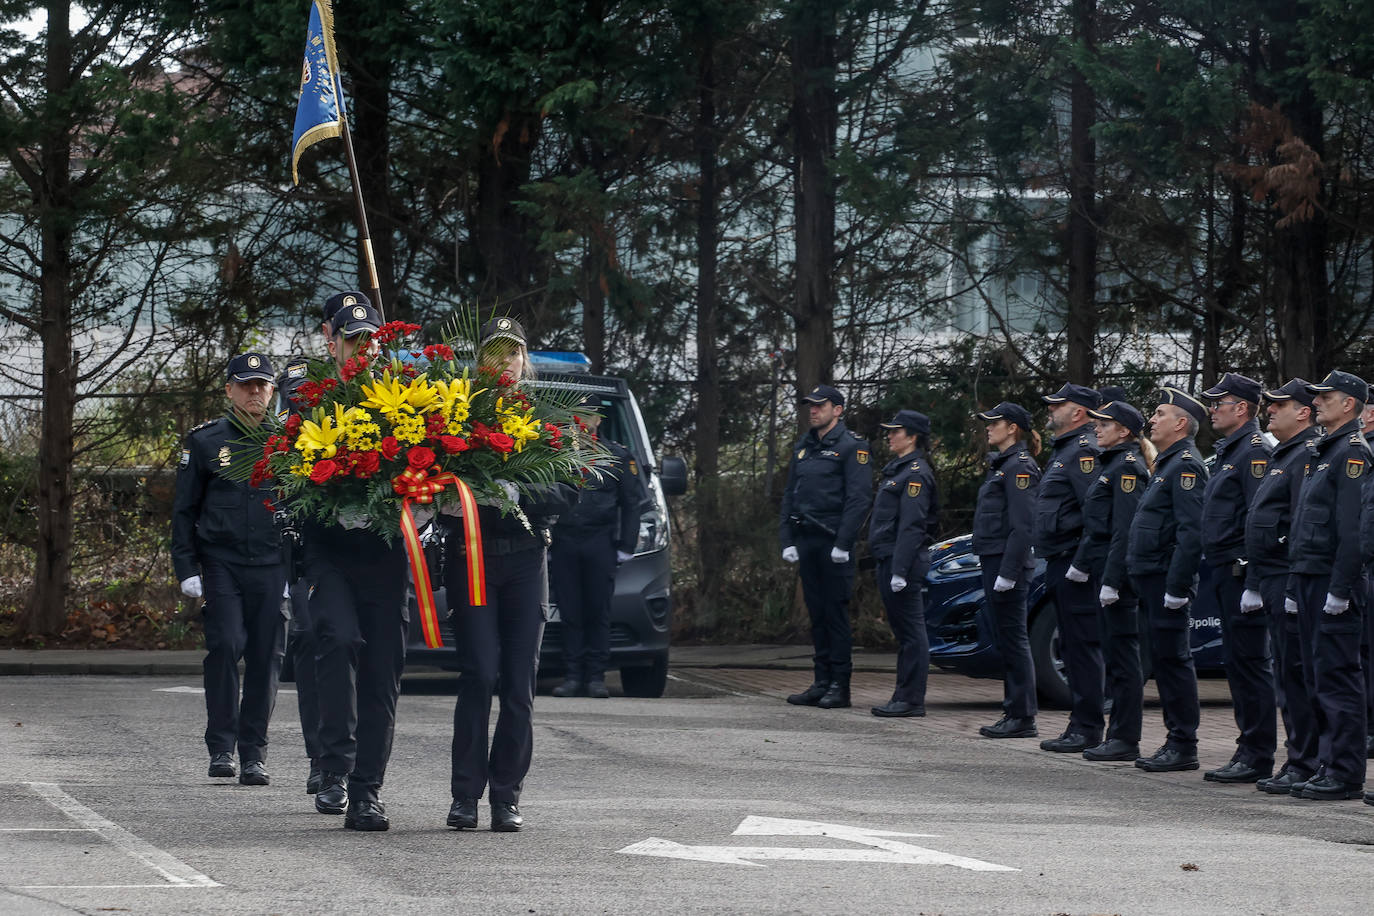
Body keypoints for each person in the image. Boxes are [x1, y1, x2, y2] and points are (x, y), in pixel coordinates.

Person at [444, 316, 578, 833]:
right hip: (471, 559)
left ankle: (506, 797)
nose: (505, 363)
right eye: (495, 354)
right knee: (479, 673)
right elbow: (429, 476)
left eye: (514, 354)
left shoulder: (547, 418)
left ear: (526, 361)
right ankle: (464, 797)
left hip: (525, 559)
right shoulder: (457, 413)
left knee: (519, 684)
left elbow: (570, 492)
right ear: (482, 362)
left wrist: (521, 493)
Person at [297, 294, 409, 831]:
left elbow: (427, 461)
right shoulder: (307, 398)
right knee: (338, 639)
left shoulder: (406, 400)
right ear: (332, 340)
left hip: (387, 553)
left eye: (369, 341)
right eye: (351, 339)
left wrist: (424, 503)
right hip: (330, 550)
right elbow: (286, 471)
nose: (359, 350)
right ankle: (334, 768)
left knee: (383, 669)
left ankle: (368, 792)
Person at [171, 352, 287, 786]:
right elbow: (184, 510)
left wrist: (300, 570)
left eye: (262, 384)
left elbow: (303, 508)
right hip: (222, 561)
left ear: (273, 390)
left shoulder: (293, 441)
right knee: (225, 645)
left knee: (266, 656)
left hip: (273, 562)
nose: (254, 392)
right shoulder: (205, 441)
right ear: (229, 390)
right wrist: (186, 566)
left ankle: (253, 752)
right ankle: (222, 747)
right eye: (246, 384)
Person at [1286, 370, 1369, 800]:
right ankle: (1326, 763)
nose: (1316, 402)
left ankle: (1345, 772)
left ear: (1349, 404)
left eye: (1325, 397)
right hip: (1309, 575)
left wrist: (1340, 588)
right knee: (1317, 676)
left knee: (1337, 676)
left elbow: (1354, 531)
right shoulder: (1324, 450)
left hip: (1331, 582)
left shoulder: (1351, 454)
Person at [1246, 380, 1322, 795]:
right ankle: (1299, 759)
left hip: (1288, 577)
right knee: (1287, 674)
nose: (1270, 410)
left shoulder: (1307, 455)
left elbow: (1299, 528)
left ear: (1304, 413)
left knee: (1296, 674)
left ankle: (1305, 761)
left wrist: (1290, 585)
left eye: (1280, 405)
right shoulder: (1285, 453)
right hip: (1273, 576)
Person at [1127, 387, 1208, 772]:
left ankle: (1183, 744)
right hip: (1151, 577)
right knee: (1163, 659)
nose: (1152, 419)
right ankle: (1174, 739)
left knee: (1174, 660)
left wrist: (1177, 587)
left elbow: (1191, 534)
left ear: (1180, 423)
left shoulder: (1186, 465)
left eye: (1160, 413)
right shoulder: (1167, 463)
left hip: (1165, 581)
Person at [778, 384, 872, 710]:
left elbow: (859, 499)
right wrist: (787, 539)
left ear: (838, 409)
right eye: (810, 406)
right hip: (807, 540)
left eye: (820, 405)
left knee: (835, 615)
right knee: (816, 615)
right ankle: (821, 681)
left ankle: (839, 685)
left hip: (834, 542)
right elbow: (790, 495)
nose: (813, 410)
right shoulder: (804, 447)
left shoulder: (851, 447)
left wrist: (845, 542)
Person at [1198, 373, 1273, 783]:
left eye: (1218, 402)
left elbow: (1259, 519)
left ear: (1241, 408)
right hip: (1226, 572)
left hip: (1241, 572)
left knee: (1250, 663)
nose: (1212, 409)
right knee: (1239, 664)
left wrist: (1254, 581)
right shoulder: (1233, 450)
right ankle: (1248, 748)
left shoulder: (1255, 452)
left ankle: (1257, 754)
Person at [549, 404, 646, 699]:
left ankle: (595, 677)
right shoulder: (560, 455)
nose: (582, 424)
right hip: (565, 541)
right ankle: (572, 675)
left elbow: (632, 504)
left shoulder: (616, 455)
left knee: (598, 611)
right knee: (570, 611)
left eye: (587, 417)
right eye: (577, 418)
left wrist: (626, 546)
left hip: (599, 541)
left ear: (597, 422)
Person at [1073, 398, 1150, 762]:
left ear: (1123, 431)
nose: (1096, 430)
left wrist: (1113, 580)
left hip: (1115, 574)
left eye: (1104, 425)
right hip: (1104, 567)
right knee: (1115, 656)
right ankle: (1117, 734)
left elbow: (1124, 529)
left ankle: (1124, 736)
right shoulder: (1114, 464)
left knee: (1123, 660)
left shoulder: (1127, 467)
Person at [1034, 383, 1105, 754]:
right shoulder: (1065, 450)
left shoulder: (1083, 452)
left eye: (1057, 405)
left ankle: (1088, 726)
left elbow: (1095, 515)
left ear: (1078, 413)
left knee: (1081, 647)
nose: (1051, 409)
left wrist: (1080, 564)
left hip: (1076, 564)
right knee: (1072, 646)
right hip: (1059, 560)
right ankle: (1079, 723)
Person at [972, 402, 1041, 738]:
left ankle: (1023, 715)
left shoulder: (1020, 467)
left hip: (1006, 564)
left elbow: (1024, 525)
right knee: (1006, 639)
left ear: (1012, 427)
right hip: (994, 559)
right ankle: (1013, 710)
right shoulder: (1003, 465)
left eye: (994, 422)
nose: (988, 427)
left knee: (1014, 639)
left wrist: (1009, 571)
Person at [867, 409, 939, 717]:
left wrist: (899, 570)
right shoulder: (898, 470)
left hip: (904, 564)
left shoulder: (915, 474)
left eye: (896, 431)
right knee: (905, 633)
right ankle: (903, 695)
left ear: (911, 437)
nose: (889, 435)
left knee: (912, 633)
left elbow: (913, 526)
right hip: (891, 559)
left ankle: (911, 699)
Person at [274, 353, 324, 796]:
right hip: (302, 564)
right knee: (309, 649)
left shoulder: (336, 433)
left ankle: (342, 758)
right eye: (293, 398)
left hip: (345, 556)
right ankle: (319, 758)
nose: (299, 405)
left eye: (305, 398)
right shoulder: (276, 444)